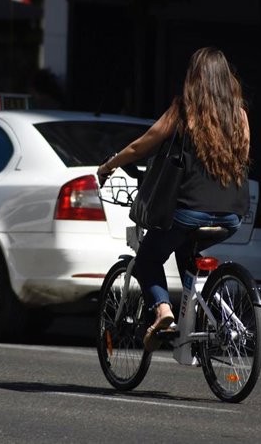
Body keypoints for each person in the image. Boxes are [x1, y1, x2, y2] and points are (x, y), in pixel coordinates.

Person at [97, 47, 251, 351]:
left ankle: (164, 313)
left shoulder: (185, 111)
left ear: (194, 78)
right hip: (231, 216)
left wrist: (108, 166)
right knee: (186, 253)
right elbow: (242, 157)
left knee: (148, 259)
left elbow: (143, 145)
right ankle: (212, 317)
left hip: (186, 212)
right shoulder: (239, 115)